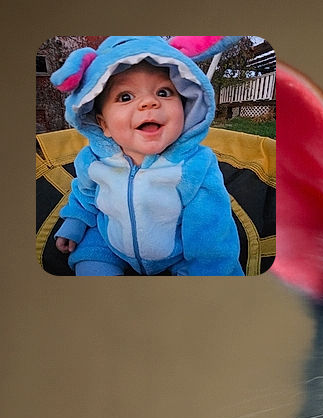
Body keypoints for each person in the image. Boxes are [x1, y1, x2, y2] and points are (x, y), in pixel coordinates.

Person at [50, 35, 243, 276]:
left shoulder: (194, 165)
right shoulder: (94, 159)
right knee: (89, 262)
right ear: (104, 124)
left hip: (176, 253)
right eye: (125, 97)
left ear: (187, 108)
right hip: (109, 242)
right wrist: (75, 222)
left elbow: (211, 229)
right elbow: (85, 193)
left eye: (163, 92)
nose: (149, 103)